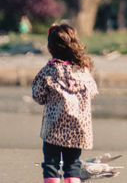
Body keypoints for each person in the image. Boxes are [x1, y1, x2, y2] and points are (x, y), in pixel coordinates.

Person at [32, 23, 98, 183]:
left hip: (54, 127)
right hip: (78, 128)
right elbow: (93, 92)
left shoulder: (48, 71)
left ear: (49, 48)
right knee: (73, 165)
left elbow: (38, 96)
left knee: (51, 164)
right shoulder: (83, 71)